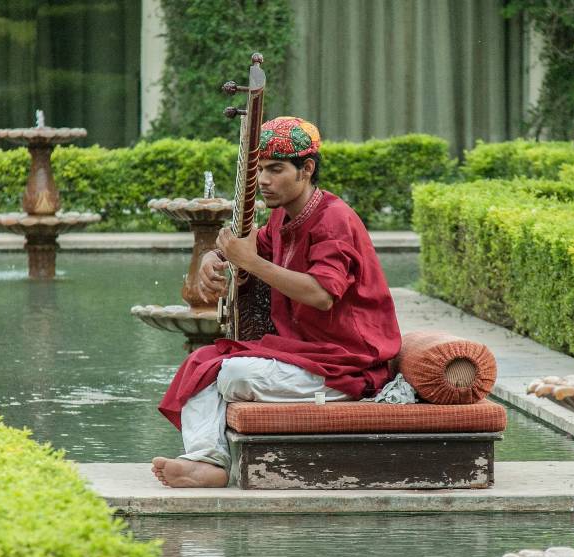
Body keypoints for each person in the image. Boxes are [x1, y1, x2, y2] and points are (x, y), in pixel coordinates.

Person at [152, 116, 401, 487]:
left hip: (347, 367)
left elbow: (320, 295)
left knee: (234, 373)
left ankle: (212, 459)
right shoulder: (284, 216)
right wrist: (214, 258)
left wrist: (250, 262)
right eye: (259, 170)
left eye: (275, 169)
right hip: (302, 355)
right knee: (200, 363)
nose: (263, 180)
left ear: (307, 169)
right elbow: (251, 249)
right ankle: (206, 461)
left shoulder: (333, 219)